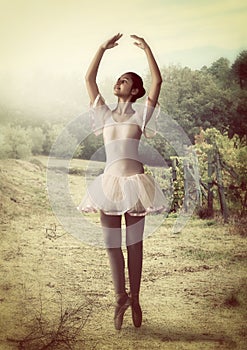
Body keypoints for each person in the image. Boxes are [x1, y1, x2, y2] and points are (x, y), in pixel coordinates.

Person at [78, 33, 166, 330]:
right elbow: (89, 79)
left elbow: (158, 82)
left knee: (134, 245)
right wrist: (101, 48)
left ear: (136, 89)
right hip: (109, 184)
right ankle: (120, 298)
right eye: (118, 79)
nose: (119, 82)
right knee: (111, 244)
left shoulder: (141, 114)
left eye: (125, 80)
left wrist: (147, 49)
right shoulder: (102, 113)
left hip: (135, 184)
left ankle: (136, 298)